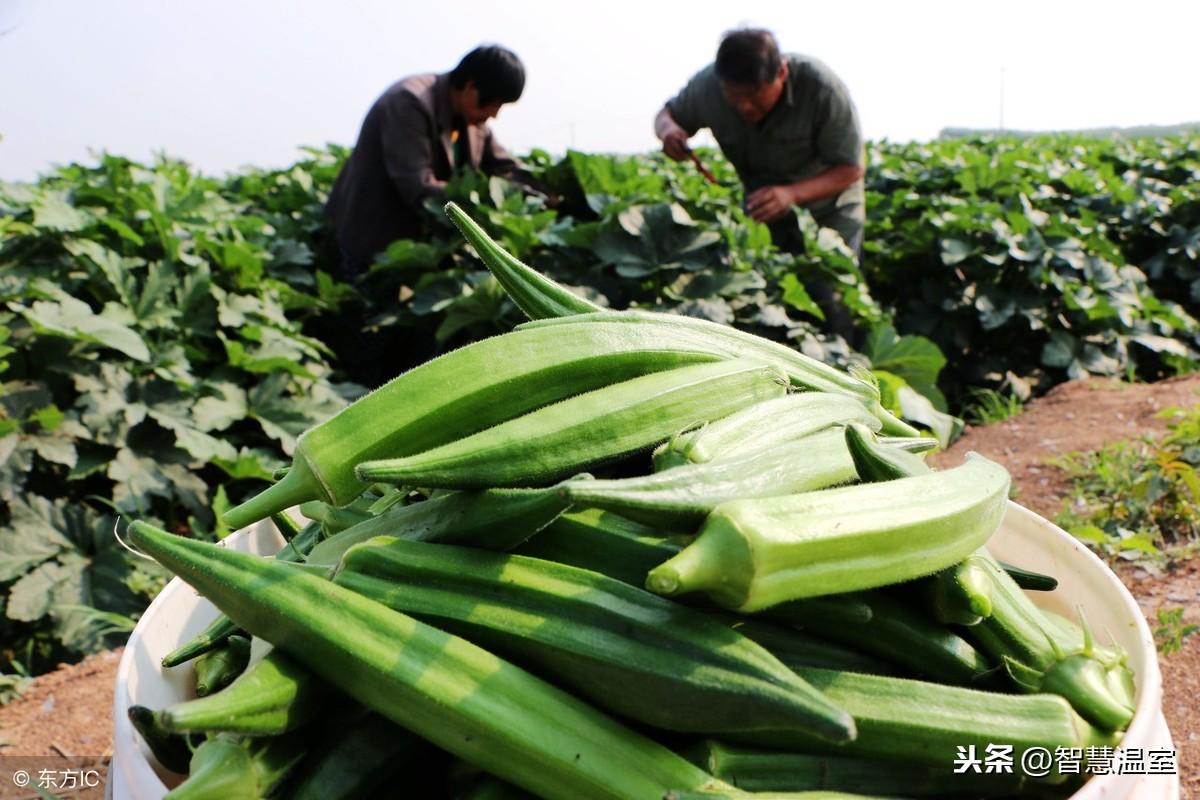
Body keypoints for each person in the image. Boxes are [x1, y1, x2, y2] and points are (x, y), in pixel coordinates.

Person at [654, 28, 865, 336]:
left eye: (753, 97)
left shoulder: (822, 89)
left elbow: (850, 168)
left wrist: (791, 194)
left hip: (829, 210)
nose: (744, 107)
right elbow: (666, 114)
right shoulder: (708, 87)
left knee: (832, 299)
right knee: (763, 298)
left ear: (781, 73)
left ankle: (842, 367)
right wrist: (668, 131)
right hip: (762, 210)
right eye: (734, 97)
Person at [325, 44, 531, 281]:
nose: (495, 115)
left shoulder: (473, 121)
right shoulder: (410, 102)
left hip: (413, 243)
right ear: (471, 87)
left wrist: (545, 192)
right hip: (372, 236)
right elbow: (418, 186)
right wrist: (482, 207)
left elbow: (505, 167)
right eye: (495, 104)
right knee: (363, 308)